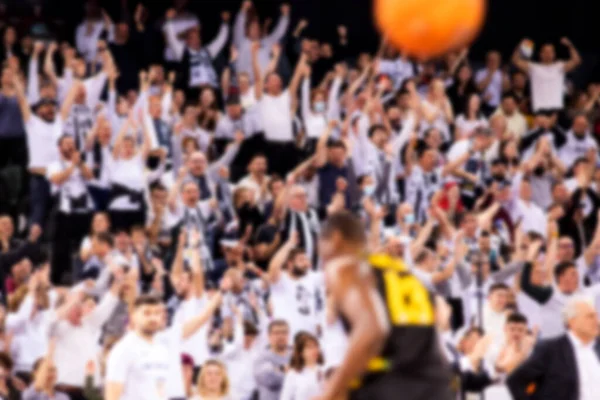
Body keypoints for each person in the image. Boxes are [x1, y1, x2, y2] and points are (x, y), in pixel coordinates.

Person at [316, 211, 452, 400]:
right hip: (437, 382)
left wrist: (330, 392)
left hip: (392, 383)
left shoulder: (344, 266)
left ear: (336, 239)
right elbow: (439, 318)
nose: (320, 256)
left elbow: (371, 328)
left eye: (320, 246)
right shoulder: (401, 272)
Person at [507, 294, 600, 400]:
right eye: (590, 316)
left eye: (597, 316)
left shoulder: (597, 349)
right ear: (572, 321)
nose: (597, 321)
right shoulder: (551, 349)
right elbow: (516, 381)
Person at [105, 294, 170, 400]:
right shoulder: (124, 349)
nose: (153, 318)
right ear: (134, 316)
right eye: (147, 313)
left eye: (157, 313)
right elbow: (112, 395)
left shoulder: (162, 349)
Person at [512, 37, 581, 112]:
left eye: (550, 52)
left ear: (554, 54)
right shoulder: (534, 67)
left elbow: (576, 61)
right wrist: (520, 46)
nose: (548, 54)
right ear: (541, 54)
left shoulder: (560, 66)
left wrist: (570, 46)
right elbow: (515, 61)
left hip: (556, 108)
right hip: (539, 109)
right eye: (545, 52)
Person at [254, 320, 292, 400]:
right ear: (269, 336)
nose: (281, 336)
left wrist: (278, 369)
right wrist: (288, 370)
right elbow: (270, 379)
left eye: (284, 332)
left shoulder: (296, 355)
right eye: (277, 333)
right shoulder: (261, 357)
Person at [280, 332, 325, 400]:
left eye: (316, 346)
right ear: (301, 352)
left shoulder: (325, 370)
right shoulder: (293, 374)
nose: (314, 350)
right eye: (309, 347)